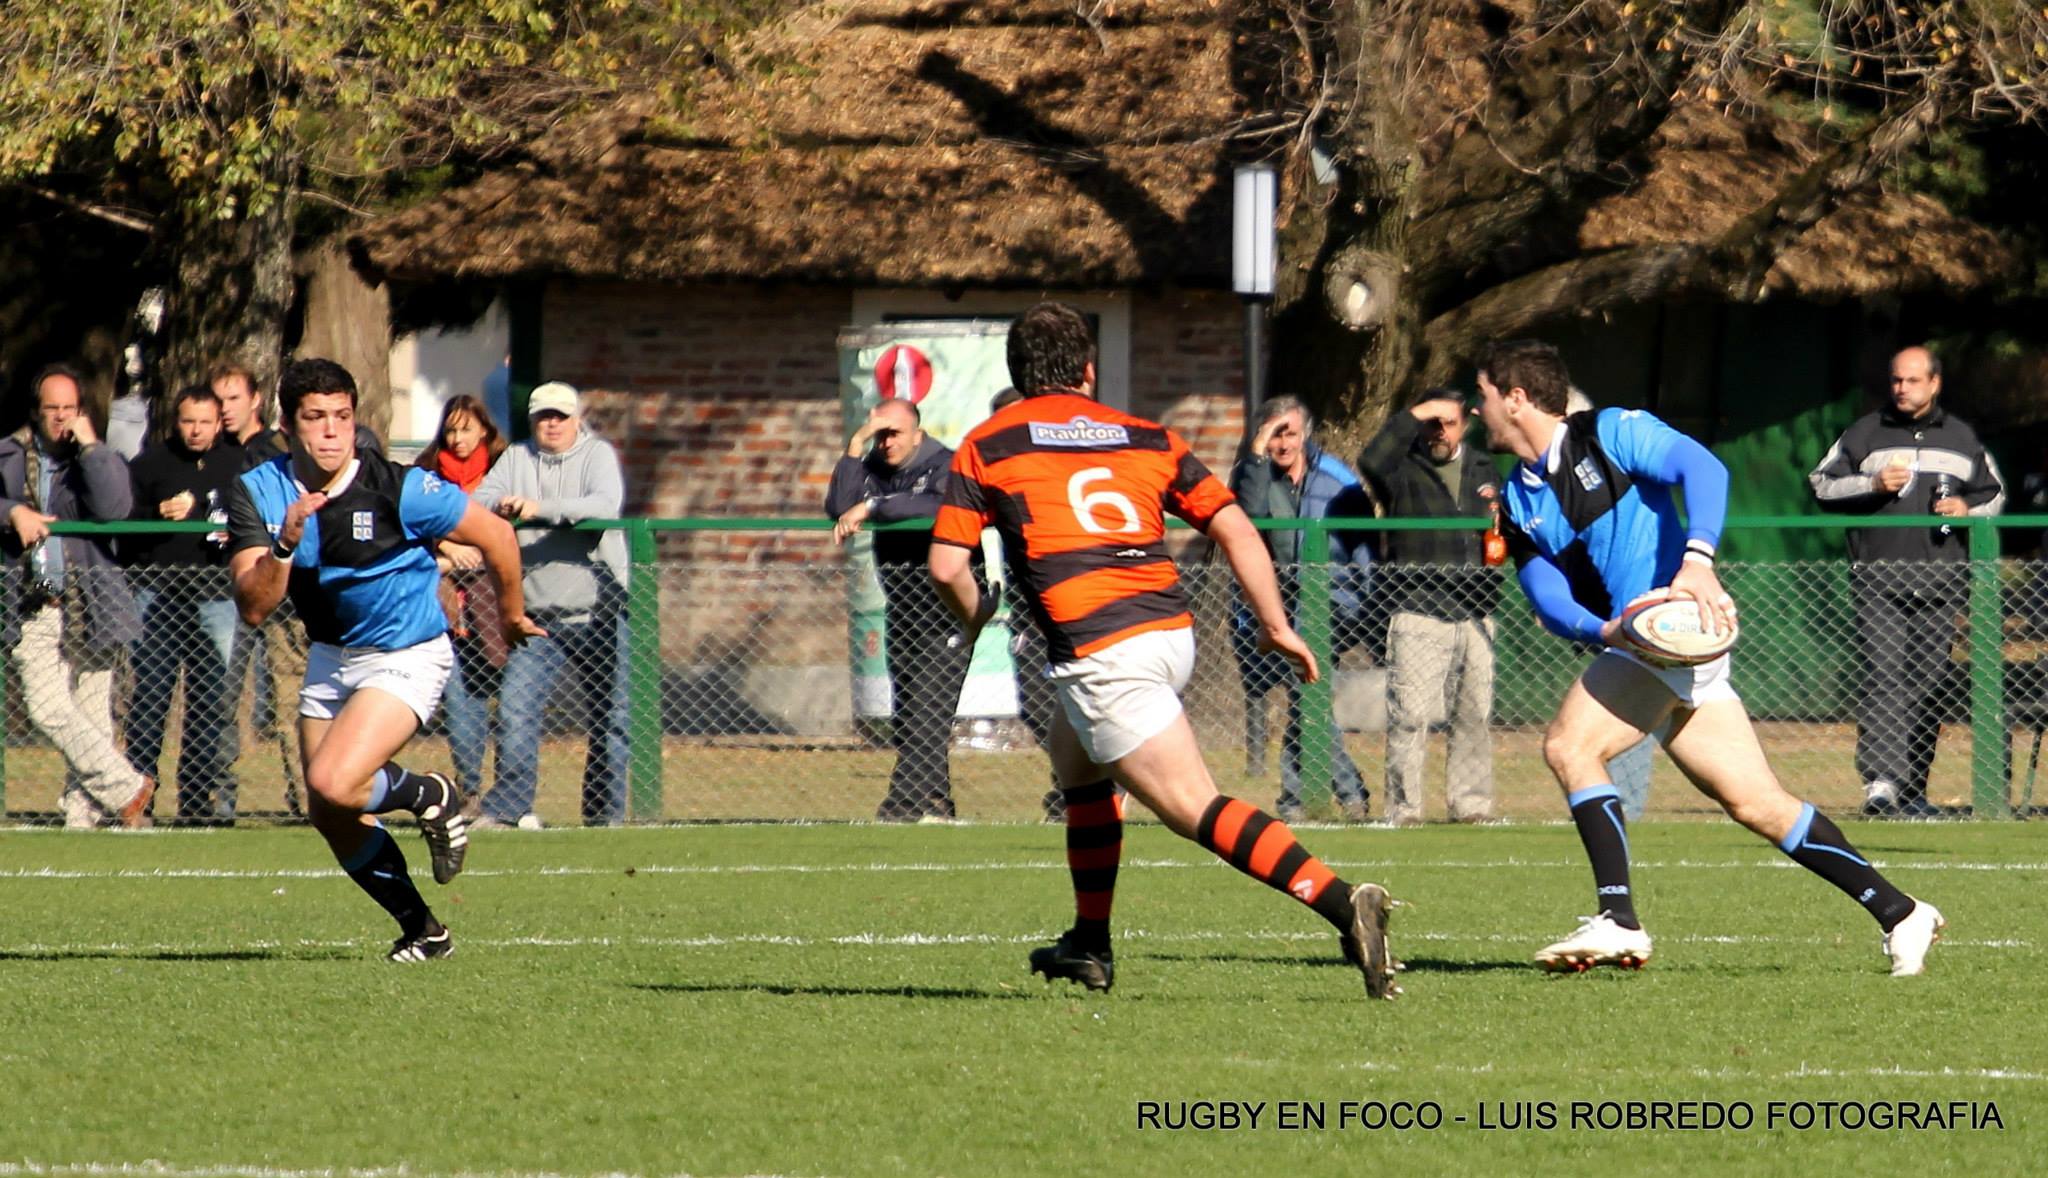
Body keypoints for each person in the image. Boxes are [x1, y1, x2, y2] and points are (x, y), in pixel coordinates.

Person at [928, 301, 1397, 1000]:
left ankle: (1341, 902)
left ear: (1019, 375)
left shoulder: (990, 442)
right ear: (1088, 371)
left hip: (1101, 648)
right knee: (1076, 758)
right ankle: (1090, 942)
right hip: (1166, 632)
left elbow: (945, 568)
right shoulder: (1146, 436)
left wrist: (975, 615)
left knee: (1191, 806)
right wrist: (1275, 622)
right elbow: (1235, 527)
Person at [1474, 338, 1944, 976]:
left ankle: (1619, 919)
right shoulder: (1519, 495)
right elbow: (1546, 594)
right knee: (1759, 804)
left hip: (1677, 630)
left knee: (1570, 746)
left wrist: (1697, 561)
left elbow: (1707, 471)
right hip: (1643, 641)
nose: (1478, 412)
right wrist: (1604, 629)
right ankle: (1901, 911)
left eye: (1483, 396)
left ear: (1517, 398)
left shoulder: (1613, 431)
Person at [228, 357, 540, 961]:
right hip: (330, 654)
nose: (331, 431)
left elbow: (497, 536)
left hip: (407, 653)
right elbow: (253, 606)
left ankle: (430, 794)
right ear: (285, 425)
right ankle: (425, 930)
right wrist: (286, 541)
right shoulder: (258, 490)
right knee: (331, 811)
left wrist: (509, 613)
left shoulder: (400, 487)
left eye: (342, 417)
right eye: (315, 418)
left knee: (332, 780)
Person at [1808, 345, 2006, 818]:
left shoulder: (1961, 438)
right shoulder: (1865, 432)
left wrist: (1965, 511)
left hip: (1941, 583)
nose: (1902, 388)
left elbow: (1993, 497)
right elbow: (1820, 483)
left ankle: (1914, 788)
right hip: (1877, 579)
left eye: (1912, 380)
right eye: (1897, 380)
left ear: (1934, 383)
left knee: (1929, 682)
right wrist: (1872, 485)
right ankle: (1881, 784)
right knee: (1883, 677)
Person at [0, 364, 155, 828]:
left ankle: (82, 814)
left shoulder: (95, 458)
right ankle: (127, 788)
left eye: (70, 409)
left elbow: (114, 508)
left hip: (90, 598)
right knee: (47, 706)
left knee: (92, 711)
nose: (61, 418)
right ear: (36, 412)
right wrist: (13, 513)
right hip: (34, 598)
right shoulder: (8, 454)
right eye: (53, 410)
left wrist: (90, 446)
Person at [471, 381, 630, 828]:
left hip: (601, 613)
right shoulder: (517, 458)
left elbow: (605, 503)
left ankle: (605, 819)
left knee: (612, 721)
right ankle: (508, 809)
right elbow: (479, 500)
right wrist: (503, 505)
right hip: (537, 615)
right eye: (544, 417)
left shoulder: (597, 455)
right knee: (517, 712)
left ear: (577, 419)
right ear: (533, 421)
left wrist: (540, 508)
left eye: (561, 416)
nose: (553, 424)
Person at [1356, 386, 1501, 825]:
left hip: (1476, 611)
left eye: (1448, 422)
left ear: (1465, 425)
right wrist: (1418, 412)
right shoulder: (1401, 467)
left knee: (1474, 715)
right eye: (1431, 423)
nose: (1439, 431)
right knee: (1411, 717)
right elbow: (1370, 460)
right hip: (1418, 608)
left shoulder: (1483, 466)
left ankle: (1471, 806)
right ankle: (1404, 810)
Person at [1229, 395, 1374, 822]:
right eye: (1273, 434)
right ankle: (1312, 799)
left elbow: (1363, 544)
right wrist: (1254, 460)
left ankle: (1338, 794)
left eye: (1288, 431)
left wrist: (1368, 603)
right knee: (1305, 697)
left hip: (1335, 601)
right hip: (1281, 606)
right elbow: (1247, 521)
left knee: (1304, 690)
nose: (1282, 443)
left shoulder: (1336, 477)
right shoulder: (1252, 477)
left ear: (1305, 434)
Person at [827, 396, 969, 822]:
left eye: (894, 434)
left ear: (917, 434)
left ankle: (902, 804)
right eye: (879, 435)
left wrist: (873, 506)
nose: (886, 444)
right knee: (912, 709)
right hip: (903, 604)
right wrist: (854, 448)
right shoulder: (873, 465)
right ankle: (937, 803)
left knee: (929, 706)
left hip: (951, 606)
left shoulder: (947, 464)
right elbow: (838, 507)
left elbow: (935, 506)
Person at [123, 384, 242, 823]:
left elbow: (253, 521)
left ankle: (195, 802)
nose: (196, 430)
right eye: (188, 421)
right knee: (151, 696)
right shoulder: (150, 463)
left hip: (216, 595)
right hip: (158, 593)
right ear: (177, 421)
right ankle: (139, 797)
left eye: (205, 422)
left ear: (218, 423)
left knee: (210, 701)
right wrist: (157, 514)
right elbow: (123, 518)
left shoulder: (237, 463)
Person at [415, 395, 511, 808]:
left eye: (466, 429)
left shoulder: (506, 468)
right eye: (450, 430)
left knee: (512, 705)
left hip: (497, 602)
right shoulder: (424, 475)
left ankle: (510, 795)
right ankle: (469, 789)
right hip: (445, 606)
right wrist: (447, 550)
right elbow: (411, 528)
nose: (457, 439)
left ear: (485, 431)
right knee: (460, 700)